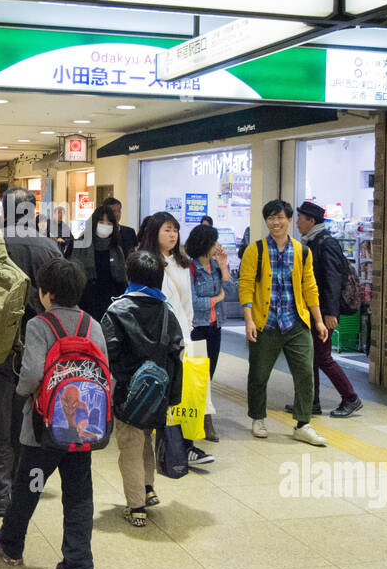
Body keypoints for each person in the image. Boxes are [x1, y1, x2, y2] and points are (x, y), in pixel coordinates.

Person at [0, 259, 105, 569]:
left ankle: (11, 546)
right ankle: (79, 566)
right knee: (79, 495)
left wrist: (22, 393)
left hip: (43, 430)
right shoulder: (91, 325)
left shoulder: (41, 325)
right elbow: (103, 373)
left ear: (45, 293)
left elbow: (31, 374)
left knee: (30, 487)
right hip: (80, 433)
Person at [0, 188, 64, 516]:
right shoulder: (50, 248)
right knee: (28, 418)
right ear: (33, 213)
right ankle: (24, 483)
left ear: (3, 212)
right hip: (38, 347)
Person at [101, 250, 185, 528]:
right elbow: (176, 356)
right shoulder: (166, 311)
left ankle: (136, 506)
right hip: (159, 394)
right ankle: (148, 488)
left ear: (130, 276)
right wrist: (173, 396)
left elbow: (107, 352)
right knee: (146, 440)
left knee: (130, 446)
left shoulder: (117, 311)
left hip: (128, 393)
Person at [239, 199, 331, 447]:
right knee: (258, 375)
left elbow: (310, 288)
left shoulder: (302, 251)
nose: (275, 222)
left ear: (289, 219)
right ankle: (258, 418)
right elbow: (246, 286)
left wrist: (319, 321)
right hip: (265, 322)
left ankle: (303, 424)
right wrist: (248, 320)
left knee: (305, 374)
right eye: (270, 218)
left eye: (280, 217)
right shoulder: (255, 250)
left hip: (296, 322)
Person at [140, 211, 215, 466]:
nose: (172, 235)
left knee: (186, 394)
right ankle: (168, 448)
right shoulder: (145, 262)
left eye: (175, 230)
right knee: (165, 394)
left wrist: (188, 330)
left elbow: (188, 302)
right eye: (167, 230)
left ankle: (186, 446)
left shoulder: (182, 262)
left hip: (183, 335)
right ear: (155, 233)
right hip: (157, 337)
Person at [293, 201, 363, 418]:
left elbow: (332, 280)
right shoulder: (312, 241)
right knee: (310, 357)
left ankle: (351, 397)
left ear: (311, 221)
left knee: (322, 357)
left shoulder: (325, 243)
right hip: (314, 310)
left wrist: (331, 313)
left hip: (323, 312)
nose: (297, 223)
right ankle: (311, 402)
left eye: (300, 219)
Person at [182, 222, 237, 441]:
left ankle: (204, 415)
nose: (218, 245)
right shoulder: (189, 268)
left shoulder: (215, 267)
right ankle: (202, 418)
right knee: (198, 374)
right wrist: (216, 299)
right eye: (214, 241)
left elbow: (232, 293)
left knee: (209, 374)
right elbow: (193, 301)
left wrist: (224, 267)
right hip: (197, 327)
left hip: (215, 327)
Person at [69, 203, 127, 322]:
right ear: (93, 223)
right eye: (101, 222)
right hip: (84, 305)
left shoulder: (117, 249)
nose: (105, 226)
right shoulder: (78, 245)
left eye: (109, 223)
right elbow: (70, 277)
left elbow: (121, 282)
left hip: (111, 307)